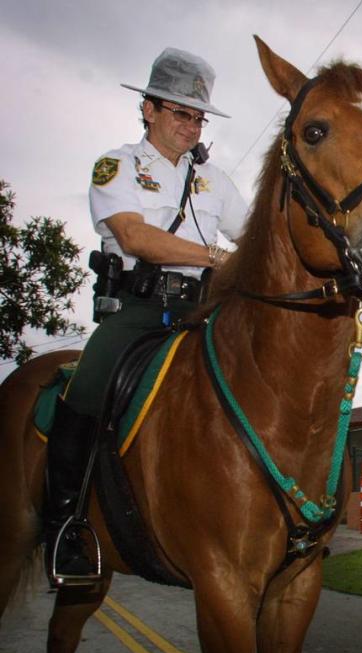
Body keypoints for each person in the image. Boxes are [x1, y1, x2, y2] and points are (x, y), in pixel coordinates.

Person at [44, 47, 248, 584]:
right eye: (181, 112)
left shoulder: (215, 182)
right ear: (149, 110)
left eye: (198, 116)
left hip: (200, 309)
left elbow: (253, 237)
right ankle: (64, 523)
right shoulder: (118, 166)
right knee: (87, 386)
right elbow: (135, 236)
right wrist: (217, 259)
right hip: (137, 308)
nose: (192, 125)